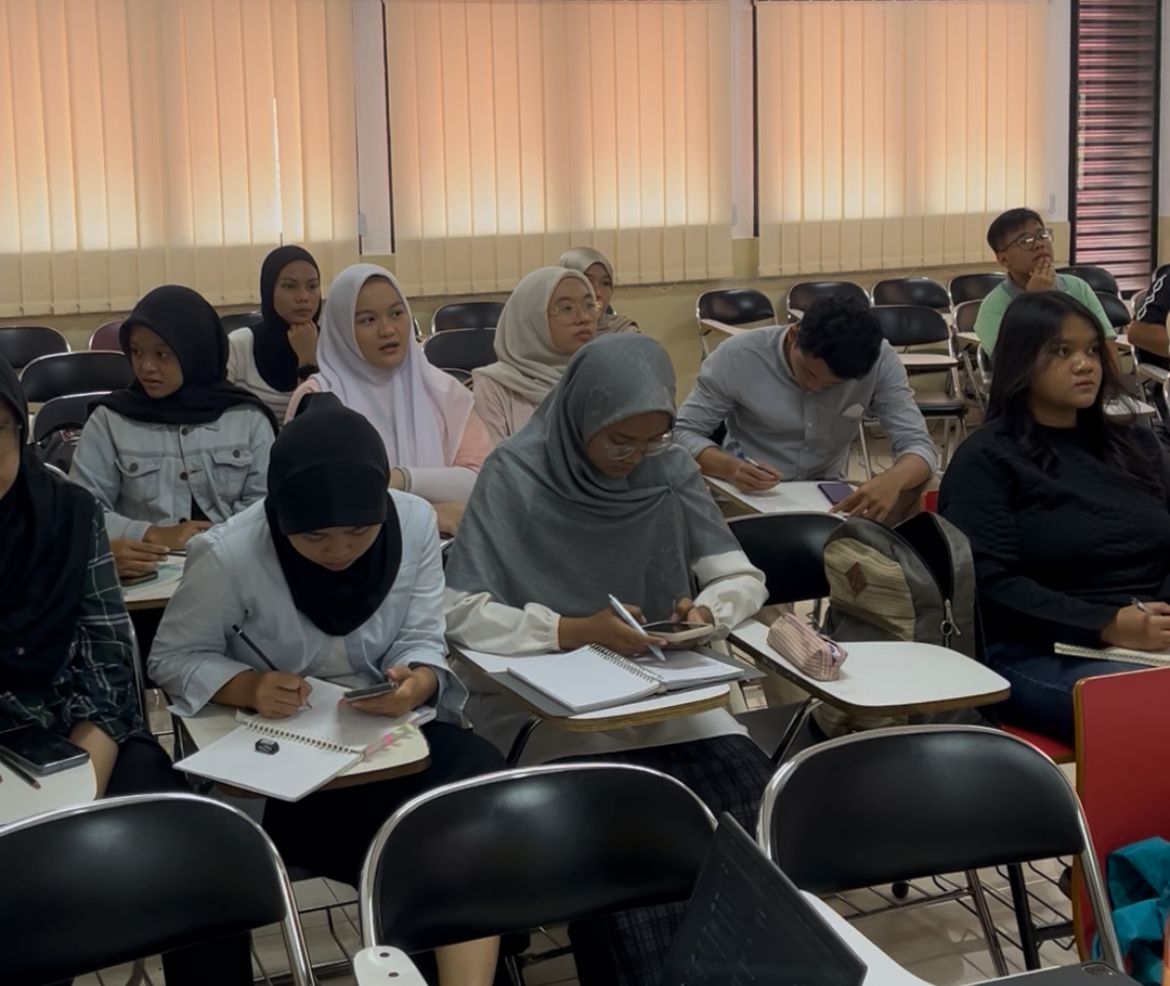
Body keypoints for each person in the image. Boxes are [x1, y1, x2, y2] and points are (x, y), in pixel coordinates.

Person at [445, 334, 772, 985]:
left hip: (663, 694)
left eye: (652, 440)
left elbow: (741, 575)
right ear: (582, 414)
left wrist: (709, 613)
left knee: (746, 797)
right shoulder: (516, 473)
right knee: (627, 830)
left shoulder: (669, 470)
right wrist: (568, 630)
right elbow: (457, 612)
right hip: (547, 706)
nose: (634, 457)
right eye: (620, 440)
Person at [148, 395, 503, 986]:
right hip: (282, 772)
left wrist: (416, 679)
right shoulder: (231, 553)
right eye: (314, 538)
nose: (339, 551)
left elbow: (421, 632)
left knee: (476, 783)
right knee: (432, 849)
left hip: (385, 745)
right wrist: (246, 685)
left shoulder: (413, 523)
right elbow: (171, 658)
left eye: (359, 531)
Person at [0, 356, 252, 984]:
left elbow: (111, 668)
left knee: (197, 855)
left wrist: (77, 788)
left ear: (18, 431)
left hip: (78, 736)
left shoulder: (68, 515)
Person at [940, 292, 1170, 744]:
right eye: (1061, 352)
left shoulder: (1137, 445)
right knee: (1152, 712)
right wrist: (1106, 623)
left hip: (1151, 635)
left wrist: (1158, 614)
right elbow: (989, 583)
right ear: (1022, 362)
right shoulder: (987, 459)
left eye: (1091, 350)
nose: (1084, 364)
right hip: (1037, 648)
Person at [70, 286, 277, 583]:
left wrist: (221, 541)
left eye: (162, 354)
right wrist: (150, 533)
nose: (146, 366)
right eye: (136, 352)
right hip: (143, 582)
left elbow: (265, 506)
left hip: (234, 575)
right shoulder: (111, 420)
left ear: (195, 352)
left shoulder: (247, 418)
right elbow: (82, 511)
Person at [675, 296, 938, 524]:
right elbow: (683, 432)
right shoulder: (739, 356)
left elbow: (918, 444)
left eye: (833, 386)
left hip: (827, 493)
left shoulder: (881, 359)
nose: (814, 388)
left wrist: (893, 479)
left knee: (927, 489)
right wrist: (730, 468)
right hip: (749, 495)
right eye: (808, 372)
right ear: (794, 335)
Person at [286, 263, 490, 534]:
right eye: (368, 320)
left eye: (396, 313)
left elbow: (483, 482)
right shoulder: (317, 398)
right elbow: (321, 499)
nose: (387, 330)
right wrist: (430, 515)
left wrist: (403, 478)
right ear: (342, 330)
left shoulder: (445, 391)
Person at [472, 266, 600, 446]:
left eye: (590, 305)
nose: (584, 318)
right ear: (531, 317)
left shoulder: (602, 374)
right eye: (566, 308)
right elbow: (493, 460)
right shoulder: (495, 385)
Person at [972, 208, 1116, 356]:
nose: (1039, 244)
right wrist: (1036, 303)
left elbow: (1108, 350)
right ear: (1004, 260)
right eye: (1025, 241)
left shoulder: (1078, 287)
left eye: (1042, 235)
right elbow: (1013, 365)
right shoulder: (993, 308)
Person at [226, 245, 321, 421]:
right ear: (269, 290)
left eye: (312, 286)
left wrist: (307, 361)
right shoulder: (239, 346)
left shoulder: (332, 346)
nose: (303, 297)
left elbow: (318, 423)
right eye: (290, 286)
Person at [557, 247, 640, 335]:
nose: (598, 293)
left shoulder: (625, 333)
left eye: (605, 283)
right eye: (587, 281)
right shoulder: (551, 334)